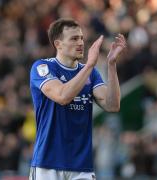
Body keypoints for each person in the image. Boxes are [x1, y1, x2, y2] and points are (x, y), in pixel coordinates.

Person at [29, 18, 126, 180]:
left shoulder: (91, 74)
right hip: (47, 163)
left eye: (81, 38)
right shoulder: (42, 67)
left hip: (82, 166)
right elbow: (62, 96)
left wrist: (111, 65)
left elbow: (113, 105)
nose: (80, 43)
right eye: (74, 39)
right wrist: (89, 65)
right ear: (58, 44)